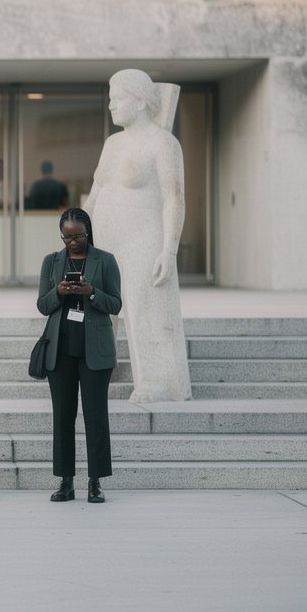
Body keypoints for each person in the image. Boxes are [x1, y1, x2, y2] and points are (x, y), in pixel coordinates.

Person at [86, 69, 192, 402]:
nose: (111, 105)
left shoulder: (163, 143)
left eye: (118, 99)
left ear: (141, 102)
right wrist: (75, 228)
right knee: (99, 306)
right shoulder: (112, 143)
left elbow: (174, 197)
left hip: (143, 237)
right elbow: (96, 193)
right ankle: (99, 368)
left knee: (144, 305)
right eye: (110, 99)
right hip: (104, 239)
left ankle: (157, 379)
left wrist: (169, 249)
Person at [37, 208, 122, 504]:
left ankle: (95, 482)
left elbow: (116, 304)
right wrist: (59, 292)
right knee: (63, 416)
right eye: (67, 237)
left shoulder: (106, 260)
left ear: (88, 233)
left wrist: (92, 292)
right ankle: (66, 481)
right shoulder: (51, 261)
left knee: (96, 417)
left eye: (78, 236)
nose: (72, 242)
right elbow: (42, 305)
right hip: (60, 350)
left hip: (95, 350)